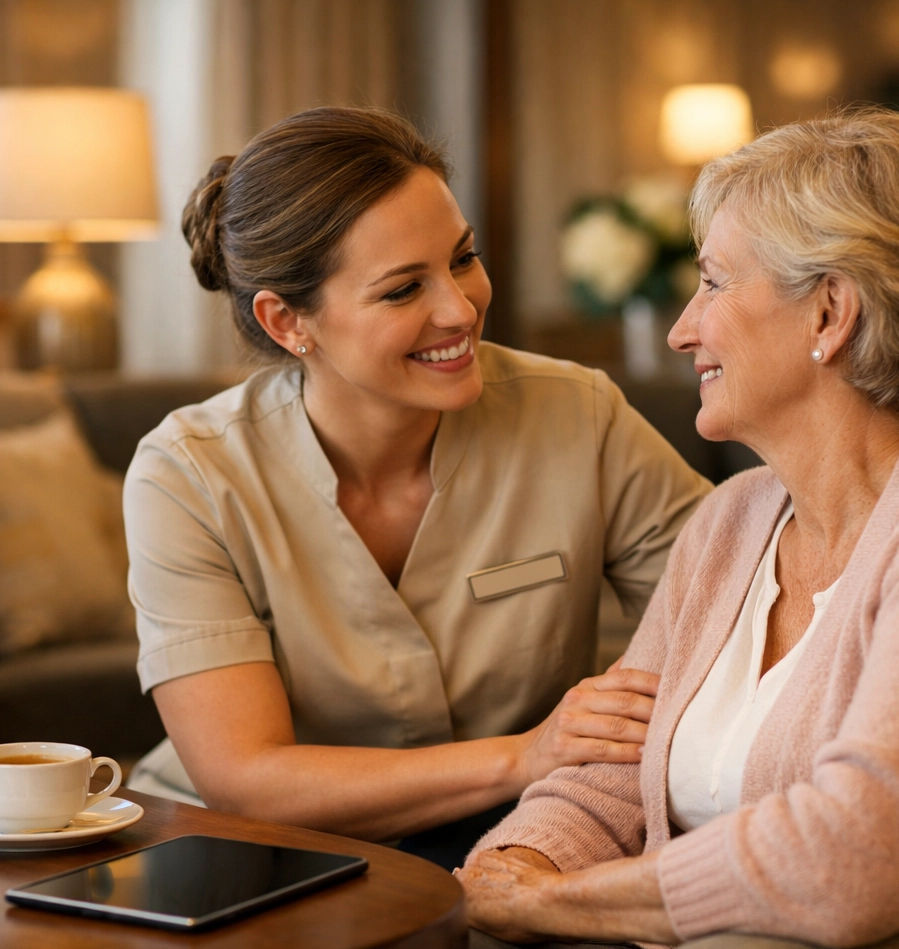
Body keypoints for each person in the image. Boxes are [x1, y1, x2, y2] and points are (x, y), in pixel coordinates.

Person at [360, 107, 899, 949]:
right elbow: (608, 770)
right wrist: (521, 864)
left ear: (831, 311)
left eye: (712, 283)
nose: (680, 330)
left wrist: (552, 904)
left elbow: (858, 852)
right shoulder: (733, 518)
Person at [123, 107, 711, 869]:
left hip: (500, 836)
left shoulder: (579, 416)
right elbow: (248, 778)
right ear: (286, 321)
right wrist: (528, 755)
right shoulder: (187, 476)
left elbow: (733, 602)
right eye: (403, 290)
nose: (461, 309)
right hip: (238, 853)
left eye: (462, 258)